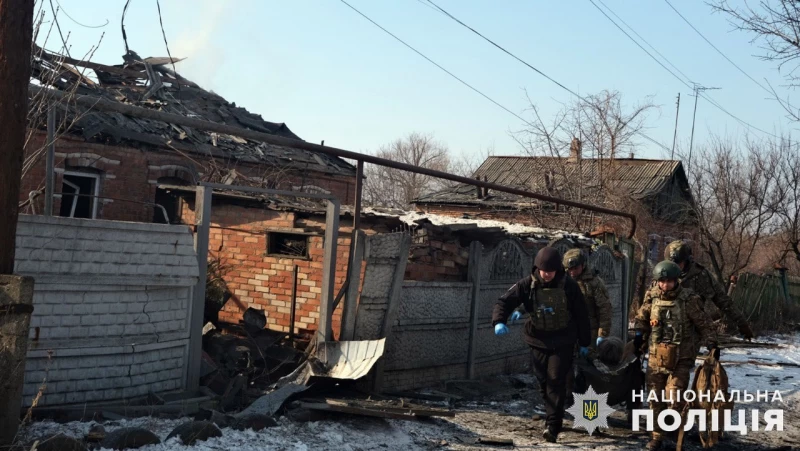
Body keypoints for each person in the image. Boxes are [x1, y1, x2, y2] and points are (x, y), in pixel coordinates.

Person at [493, 246, 591, 443]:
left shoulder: (569, 285)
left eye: (551, 271)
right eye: (544, 271)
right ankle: (551, 414)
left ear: (557, 270)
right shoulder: (527, 284)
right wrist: (499, 321)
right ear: (538, 268)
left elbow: (581, 314)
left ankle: (553, 426)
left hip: (563, 340)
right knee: (543, 381)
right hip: (538, 339)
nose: (547, 275)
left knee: (556, 379)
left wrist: (584, 342)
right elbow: (504, 301)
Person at [634, 260, 718, 451]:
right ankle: (657, 436)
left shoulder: (689, 299)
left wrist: (712, 343)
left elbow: (704, 323)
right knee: (655, 397)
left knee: (675, 396)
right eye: (662, 281)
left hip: (681, 357)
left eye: (669, 281)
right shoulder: (652, 297)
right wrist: (639, 335)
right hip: (656, 357)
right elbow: (642, 318)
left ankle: (674, 427)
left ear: (676, 280)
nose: (665, 285)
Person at [664, 240, 754, 339]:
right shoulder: (663, 274)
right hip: (665, 330)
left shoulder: (700, 275)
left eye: (678, 263)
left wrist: (741, 323)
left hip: (690, 333)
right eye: (671, 263)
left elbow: (723, 300)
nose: (674, 267)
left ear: (687, 261)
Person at [563, 248, 612, 347]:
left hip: (590, 332)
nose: (572, 272)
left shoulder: (594, 283)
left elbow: (604, 309)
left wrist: (602, 334)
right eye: (570, 269)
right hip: (568, 333)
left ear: (583, 265)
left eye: (576, 268)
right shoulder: (563, 282)